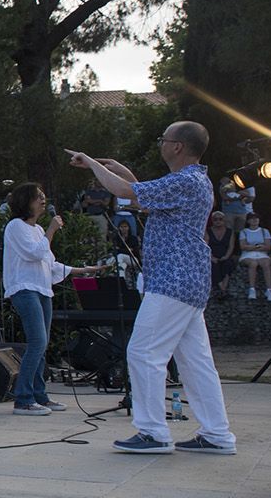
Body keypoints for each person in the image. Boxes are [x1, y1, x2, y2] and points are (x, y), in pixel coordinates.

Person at [68, 124, 238, 453]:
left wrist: (92, 163)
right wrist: (120, 171)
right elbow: (141, 196)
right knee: (196, 363)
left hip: (173, 280)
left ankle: (153, 433)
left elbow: (124, 192)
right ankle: (217, 434)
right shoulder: (190, 181)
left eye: (164, 139)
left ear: (178, 147)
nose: (161, 143)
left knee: (144, 352)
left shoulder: (184, 181)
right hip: (187, 281)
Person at [1, 182, 102, 417]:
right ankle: (23, 399)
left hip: (43, 289)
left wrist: (82, 270)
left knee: (42, 345)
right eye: (38, 197)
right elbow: (34, 253)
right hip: (24, 289)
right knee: (37, 342)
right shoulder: (15, 227)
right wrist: (52, 229)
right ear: (26, 201)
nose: (43, 200)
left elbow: (49, 263)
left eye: (44, 196)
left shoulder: (37, 230)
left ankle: (39, 395)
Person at [236, 211, 271, 301]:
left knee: (266, 264)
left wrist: (251, 247)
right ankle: (252, 289)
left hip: (262, 254)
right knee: (253, 264)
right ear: (248, 221)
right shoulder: (244, 232)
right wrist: (258, 246)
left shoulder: (265, 231)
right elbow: (243, 246)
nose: (254, 220)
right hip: (247, 255)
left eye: (256, 218)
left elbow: (268, 247)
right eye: (252, 218)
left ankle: (269, 290)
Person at [206, 210, 238, 300]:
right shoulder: (208, 231)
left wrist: (226, 256)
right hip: (212, 255)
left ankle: (223, 287)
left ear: (224, 220)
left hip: (225, 255)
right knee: (213, 266)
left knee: (228, 264)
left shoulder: (230, 232)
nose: (218, 221)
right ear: (212, 220)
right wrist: (211, 257)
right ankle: (223, 289)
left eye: (220, 219)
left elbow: (231, 246)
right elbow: (206, 245)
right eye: (215, 219)